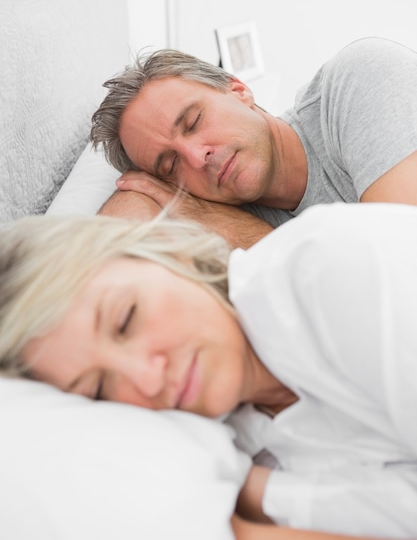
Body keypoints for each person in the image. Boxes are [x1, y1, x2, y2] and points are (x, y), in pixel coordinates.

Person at [1, 202, 416, 539]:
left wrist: (258, 494)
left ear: (165, 250)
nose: (147, 378)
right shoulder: (230, 444)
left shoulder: (331, 264)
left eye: (126, 319)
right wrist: (253, 487)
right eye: (99, 389)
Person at [90, 36, 417, 248]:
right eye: (171, 164)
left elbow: (401, 273)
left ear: (238, 90)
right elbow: (111, 238)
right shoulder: (211, 214)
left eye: (193, 122)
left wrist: (220, 221)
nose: (196, 156)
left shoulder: (359, 79)